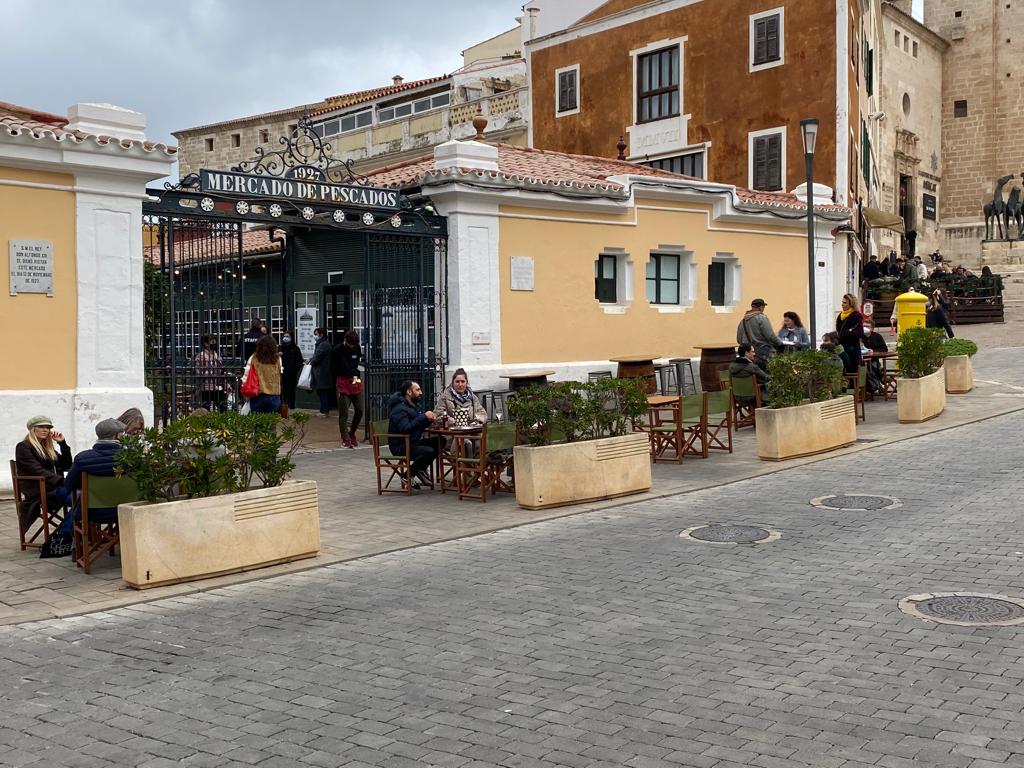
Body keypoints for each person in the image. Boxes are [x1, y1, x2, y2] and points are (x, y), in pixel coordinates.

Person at [54, 418, 127, 539]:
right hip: (127, 510)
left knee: (67, 493)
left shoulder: (83, 458)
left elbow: (69, 485)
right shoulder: (134, 459)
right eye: (122, 434)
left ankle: (68, 537)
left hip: (93, 512)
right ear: (116, 436)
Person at [14, 415, 72, 528]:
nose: (45, 430)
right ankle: (64, 535)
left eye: (48, 427)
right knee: (81, 501)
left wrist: (62, 444)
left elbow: (66, 465)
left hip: (52, 488)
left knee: (83, 499)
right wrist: (63, 481)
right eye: (41, 427)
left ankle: (71, 534)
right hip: (38, 490)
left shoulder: (47, 448)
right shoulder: (23, 447)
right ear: (32, 429)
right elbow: (37, 470)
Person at [387, 380, 443, 489]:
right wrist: (423, 417)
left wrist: (428, 420)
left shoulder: (409, 406)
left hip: (412, 442)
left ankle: (420, 468)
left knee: (440, 441)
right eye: (417, 390)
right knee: (428, 451)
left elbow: (416, 426)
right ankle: (408, 475)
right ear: (409, 392)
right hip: (401, 446)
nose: (421, 392)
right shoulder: (400, 409)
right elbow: (405, 428)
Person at [333, 331, 364, 448]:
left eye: (354, 344)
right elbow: (335, 367)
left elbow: (356, 364)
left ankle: (352, 433)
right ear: (345, 341)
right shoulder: (337, 350)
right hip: (342, 380)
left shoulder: (357, 348)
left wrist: (355, 378)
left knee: (360, 409)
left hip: (355, 378)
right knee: (344, 412)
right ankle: (345, 438)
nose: (352, 346)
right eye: (350, 343)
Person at [736, 298, 783, 366]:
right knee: (765, 373)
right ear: (761, 307)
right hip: (762, 352)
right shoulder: (761, 318)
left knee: (753, 374)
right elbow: (770, 336)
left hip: (748, 353)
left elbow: (739, 339)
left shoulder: (743, 321)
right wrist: (780, 343)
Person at [246, 335, 283, 414]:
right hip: (274, 394)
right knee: (271, 424)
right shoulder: (277, 359)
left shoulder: (253, 358)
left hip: (257, 394)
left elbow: (246, 374)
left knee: (257, 423)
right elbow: (280, 375)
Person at [193, 336, 226, 412]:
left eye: (215, 340)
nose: (214, 342)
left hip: (218, 387)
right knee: (206, 409)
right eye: (211, 340)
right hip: (206, 387)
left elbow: (221, 371)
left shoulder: (217, 355)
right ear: (205, 344)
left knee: (222, 408)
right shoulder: (200, 356)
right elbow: (199, 372)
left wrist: (225, 383)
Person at [835, 293, 865, 374]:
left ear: (851, 304)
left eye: (845, 303)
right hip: (841, 348)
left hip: (852, 349)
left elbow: (860, 333)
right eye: (842, 302)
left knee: (851, 371)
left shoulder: (856, 315)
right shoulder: (840, 316)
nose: (842, 304)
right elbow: (838, 331)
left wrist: (846, 333)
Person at [309, 327, 334, 417]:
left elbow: (317, 357)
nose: (315, 336)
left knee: (321, 391)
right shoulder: (325, 344)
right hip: (324, 371)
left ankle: (324, 410)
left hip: (321, 371)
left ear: (321, 334)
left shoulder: (322, 345)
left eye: (316, 334)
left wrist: (312, 361)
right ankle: (324, 410)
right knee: (323, 391)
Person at [279, 330, 304, 411]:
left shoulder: (295, 348)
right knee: (283, 391)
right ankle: (284, 407)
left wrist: (294, 369)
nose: (285, 338)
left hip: (292, 373)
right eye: (284, 336)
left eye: (287, 336)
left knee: (291, 390)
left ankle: (292, 406)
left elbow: (300, 361)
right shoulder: (280, 348)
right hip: (282, 373)